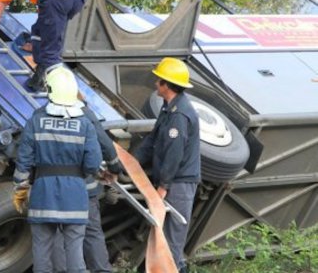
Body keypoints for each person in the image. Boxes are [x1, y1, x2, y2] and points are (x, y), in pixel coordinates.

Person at [13, 66, 101, 273]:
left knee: (42, 255)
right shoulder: (85, 124)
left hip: (43, 195)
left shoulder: (36, 120)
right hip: (75, 197)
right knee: (75, 256)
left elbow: (24, 159)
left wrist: (20, 189)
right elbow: (93, 164)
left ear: (50, 91)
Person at [134, 57, 201, 273]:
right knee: (160, 236)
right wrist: (130, 162)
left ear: (166, 85)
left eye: (159, 80)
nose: (155, 84)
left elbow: (174, 153)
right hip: (172, 180)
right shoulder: (168, 108)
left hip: (179, 184)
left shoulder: (179, 115)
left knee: (171, 241)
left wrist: (163, 186)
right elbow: (152, 141)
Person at [52, 104, 123, 273]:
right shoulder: (83, 113)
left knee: (57, 235)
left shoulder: (42, 113)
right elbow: (104, 144)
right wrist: (114, 168)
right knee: (91, 234)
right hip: (84, 189)